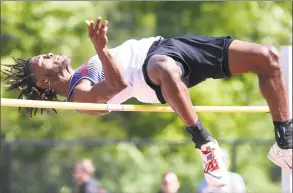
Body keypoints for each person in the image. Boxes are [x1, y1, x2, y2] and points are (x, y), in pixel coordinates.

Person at [2, 17, 292, 190]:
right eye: (43, 60)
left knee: (268, 58)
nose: (50, 54)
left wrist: (102, 51)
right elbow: (117, 85)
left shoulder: (80, 70)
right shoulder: (79, 96)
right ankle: (205, 145)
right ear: (43, 84)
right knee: (164, 67)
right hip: (149, 74)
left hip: (168, 46)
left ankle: (284, 142)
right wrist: (102, 49)